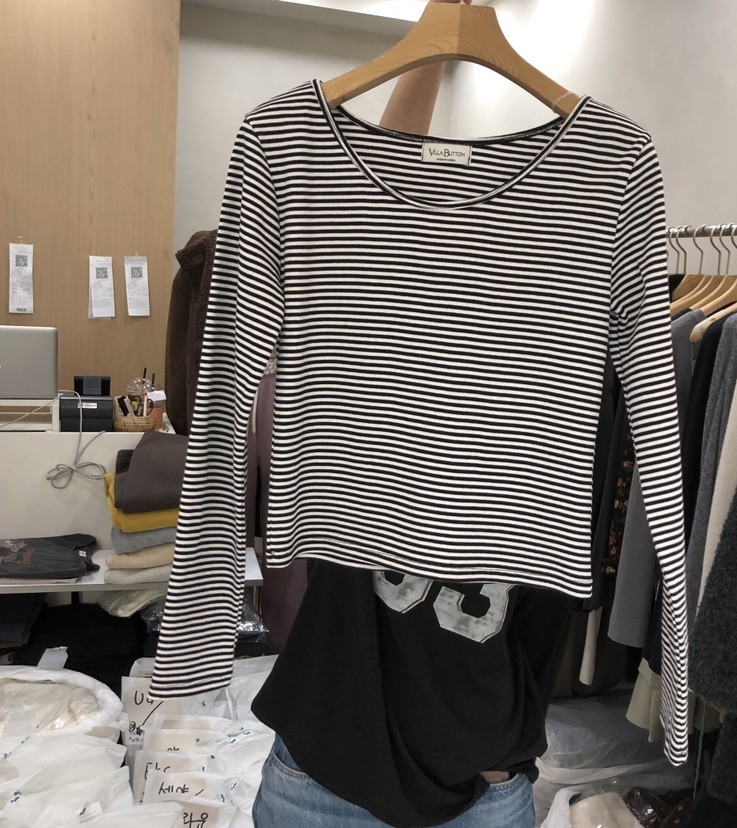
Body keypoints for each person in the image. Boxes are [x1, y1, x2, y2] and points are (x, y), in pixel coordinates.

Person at [249, 1, 575, 825]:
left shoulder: (563, 351)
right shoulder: (352, 328)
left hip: (485, 778)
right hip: (325, 765)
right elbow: (366, 206)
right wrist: (436, 42)